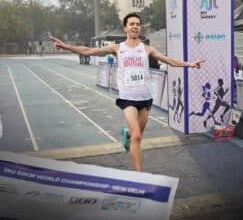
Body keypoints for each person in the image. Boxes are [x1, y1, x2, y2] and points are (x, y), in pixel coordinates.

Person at [51, 12, 205, 172]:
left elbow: (169, 61)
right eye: (132, 24)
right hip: (128, 99)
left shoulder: (147, 49)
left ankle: (127, 136)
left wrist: (190, 64)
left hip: (145, 99)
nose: (135, 27)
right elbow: (89, 51)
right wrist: (65, 46)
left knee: (135, 137)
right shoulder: (117, 48)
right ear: (125, 28)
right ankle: (139, 176)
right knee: (137, 136)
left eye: (138, 24)